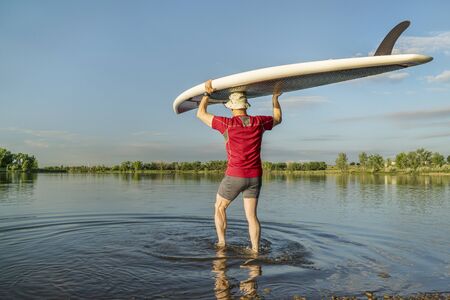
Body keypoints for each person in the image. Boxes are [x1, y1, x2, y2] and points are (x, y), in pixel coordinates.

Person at [196, 79, 282, 254]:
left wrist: (207, 94)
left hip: (235, 175)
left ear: (230, 107)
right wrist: (275, 99)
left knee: (219, 207)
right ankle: (256, 250)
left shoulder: (226, 123)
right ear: (246, 106)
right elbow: (278, 119)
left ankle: (221, 244)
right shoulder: (259, 122)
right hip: (255, 177)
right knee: (251, 216)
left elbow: (200, 114)